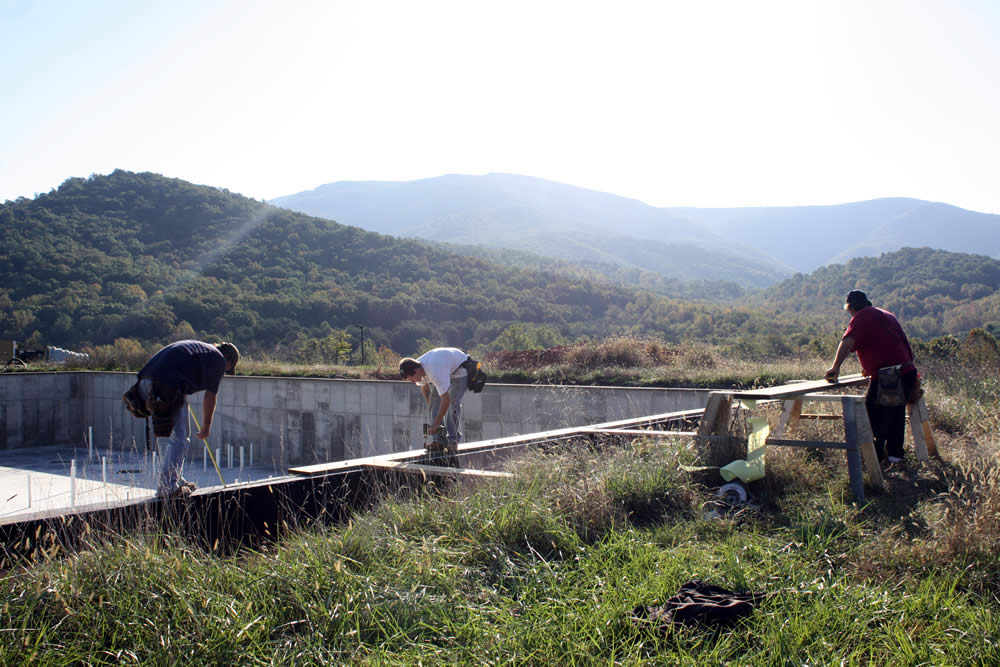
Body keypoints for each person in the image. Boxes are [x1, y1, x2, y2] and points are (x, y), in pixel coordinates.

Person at [825, 290, 920, 466]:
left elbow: (847, 342)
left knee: (872, 417)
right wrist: (870, 367)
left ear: (851, 307)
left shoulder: (862, 317)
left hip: (891, 374)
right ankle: (894, 458)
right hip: (907, 372)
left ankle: (873, 460)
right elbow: (889, 345)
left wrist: (835, 368)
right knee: (894, 416)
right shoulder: (886, 315)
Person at [137, 340, 239, 497]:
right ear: (228, 359)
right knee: (180, 438)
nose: (223, 373)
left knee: (166, 435)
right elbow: (210, 396)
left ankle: (174, 479)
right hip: (167, 385)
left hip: (146, 381)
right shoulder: (218, 358)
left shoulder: (202, 351)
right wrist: (206, 426)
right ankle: (168, 485)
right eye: (227, 369)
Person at [399, 347, 471, 451]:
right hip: (445, 368)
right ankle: (439, 441)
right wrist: (433, 414)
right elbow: (427, 393)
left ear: (416, 371)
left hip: (460, 369)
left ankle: (452, 441)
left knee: (453, 404)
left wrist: (436, 423)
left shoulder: (435, 372)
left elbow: (446, 400)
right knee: (434, 401)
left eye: (411, 379)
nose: (413, 382)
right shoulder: (416, 367)